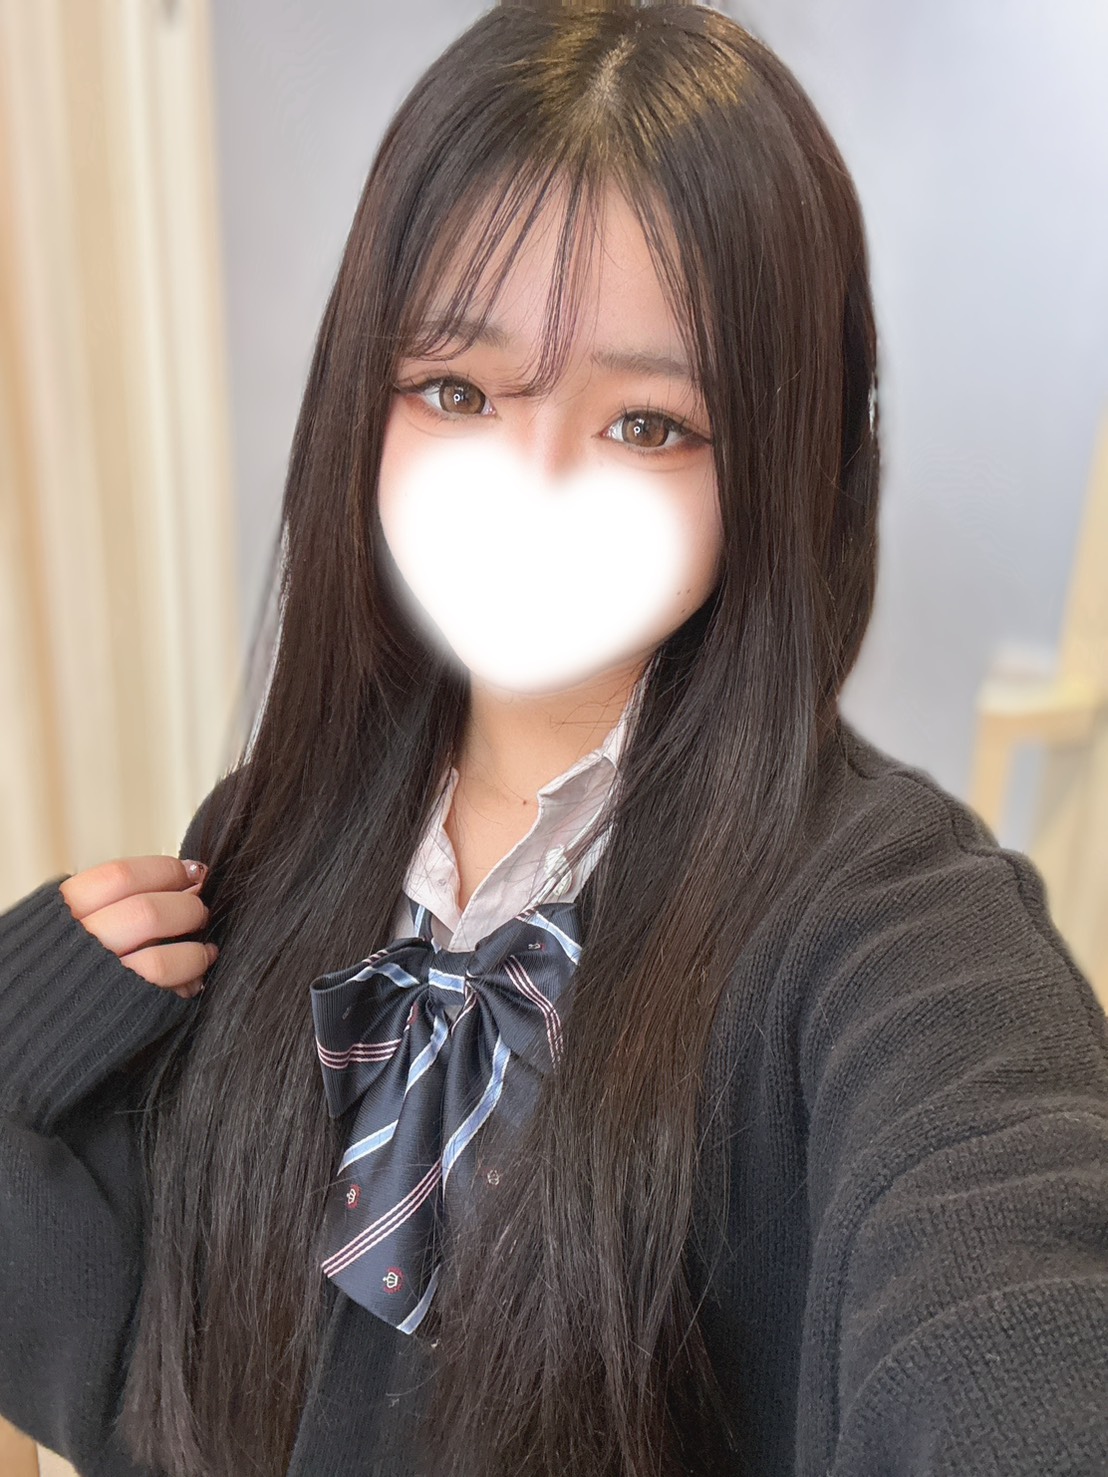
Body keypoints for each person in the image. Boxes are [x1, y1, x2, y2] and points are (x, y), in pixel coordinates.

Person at [2, 1, 1107, 1474]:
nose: (531, 490)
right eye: (456, 391)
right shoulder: (261, 842)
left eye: (648, 424)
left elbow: (1011, 1300)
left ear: (784, 461)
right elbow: (165, 1393)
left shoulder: (896, 936)